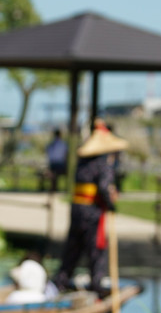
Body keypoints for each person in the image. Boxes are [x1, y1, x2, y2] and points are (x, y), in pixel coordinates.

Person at [52, 120, 126, 295]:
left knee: (73, 247)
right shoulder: (103, 164)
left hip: (77, 208)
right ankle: (96, 283)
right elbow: (103, 187)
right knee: (96, 249)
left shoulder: (82, 162)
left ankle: (61, 280)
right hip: (91, 211)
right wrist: (110, 203)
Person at [45, 128, 68, 193]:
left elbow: (48, 155)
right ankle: (66, 190)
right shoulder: (63, 144)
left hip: (53, 165)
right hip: (60, 164)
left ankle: (52, 192)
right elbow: (65, 155)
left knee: (53, 181)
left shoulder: (51, 144)